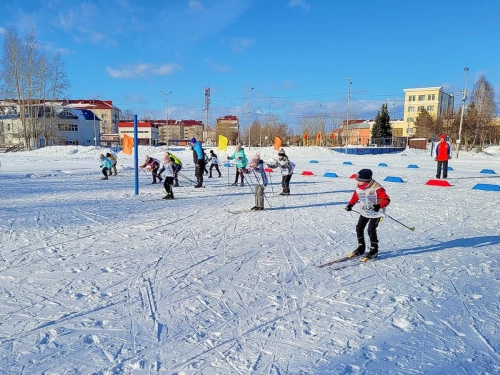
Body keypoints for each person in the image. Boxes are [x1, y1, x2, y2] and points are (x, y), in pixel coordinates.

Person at [344, 169, 391, 260]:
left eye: (359, 180)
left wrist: (378, 206)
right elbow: (356, 196)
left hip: (376, 213)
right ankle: (361, 247)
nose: (357, 181)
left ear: (365, 181)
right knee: (359, 228)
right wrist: (350, 205)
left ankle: (374, 250)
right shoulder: (359, 187)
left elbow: (386, 199)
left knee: (371, 230)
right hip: (365, 211)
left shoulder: (377, 188)